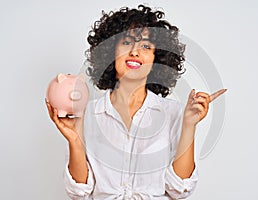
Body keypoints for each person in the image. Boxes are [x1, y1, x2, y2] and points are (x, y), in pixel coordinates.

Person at [46, 4, 226, 199]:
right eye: (126, 43)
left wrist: (189, 125)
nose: (134, 52)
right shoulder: (85, 115)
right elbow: (79, 193)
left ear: (157, 59)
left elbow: (179, 189)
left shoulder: (174, 113)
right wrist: (75, 140)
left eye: (146, 46)